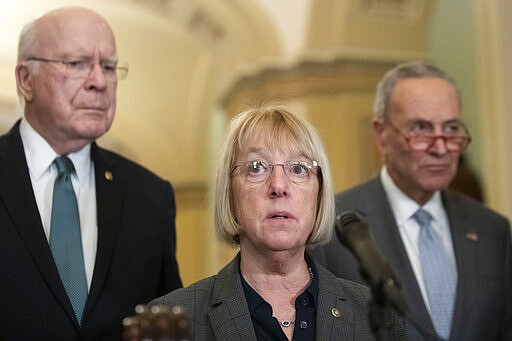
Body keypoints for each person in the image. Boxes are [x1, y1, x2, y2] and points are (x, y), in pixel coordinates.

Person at [0, 7, 182, 340]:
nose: (99, 81)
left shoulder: (150, 198)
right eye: (76, 64)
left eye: (109, 67)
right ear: (26, 80)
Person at [148, 105, 405, 340]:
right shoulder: (171, 319)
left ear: (319, 193)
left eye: (298, 169)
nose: (279, 186)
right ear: (230, 193)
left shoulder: (375, 315)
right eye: (257, 167)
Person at [312, 61, 512, 341]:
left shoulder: (493, 231)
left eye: (452, 128)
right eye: (421, 128)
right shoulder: (331, 229)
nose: (441, 148)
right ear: (381, 135)